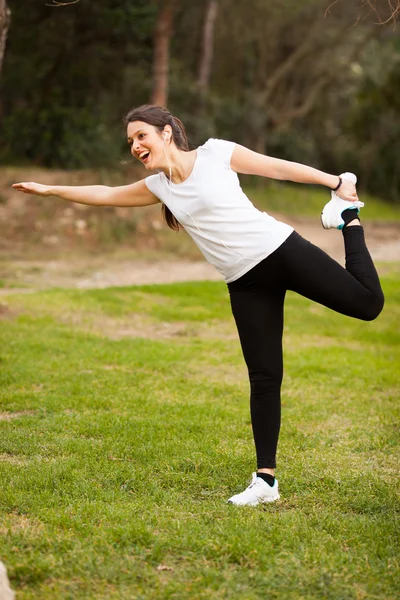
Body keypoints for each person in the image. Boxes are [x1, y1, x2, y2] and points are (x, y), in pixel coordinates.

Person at [13, 104, 384, 506]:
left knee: (367, 304)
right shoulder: (159, 186)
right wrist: (51, 190)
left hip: (280, 250)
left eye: (142, 136)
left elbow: (278, 168)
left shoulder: (216, 154)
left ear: (167, 132)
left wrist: (337, 182)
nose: (136, 145)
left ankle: (347, 218)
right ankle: (266, 482)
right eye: (131, 141)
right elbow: (105, 194)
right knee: (263, 376)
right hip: (244, 282)